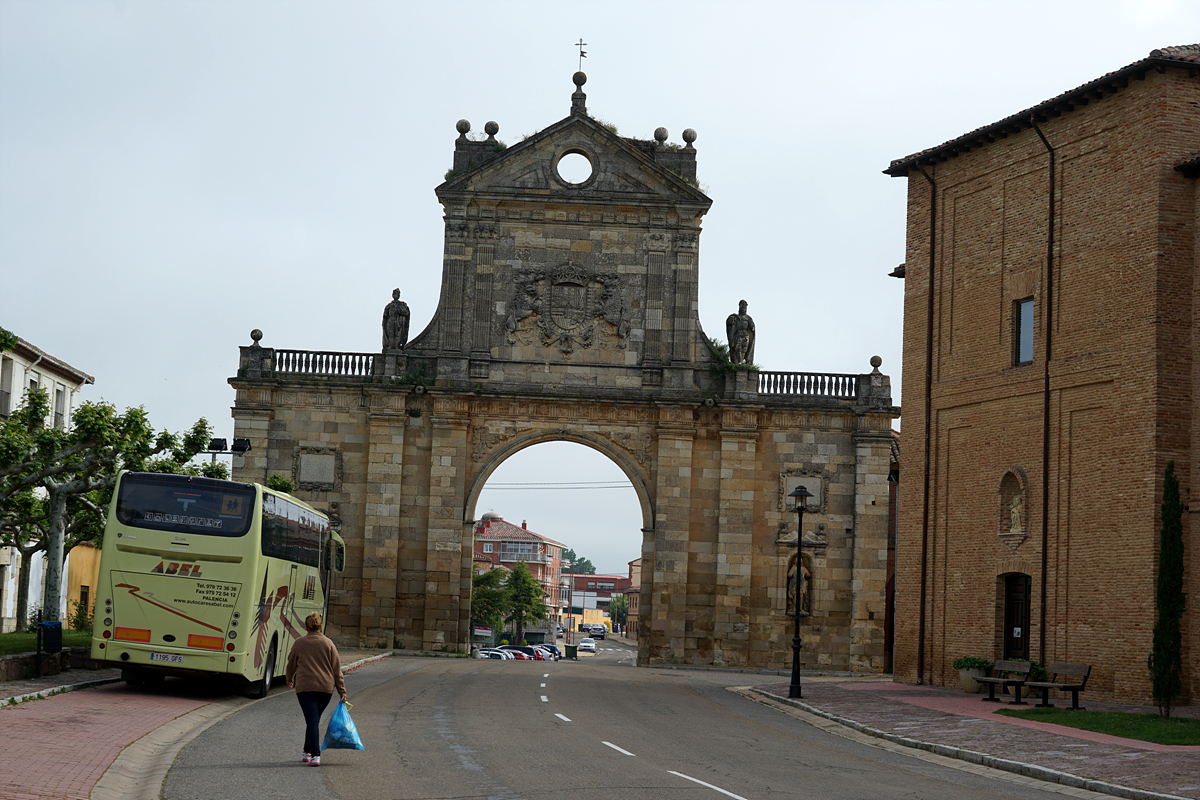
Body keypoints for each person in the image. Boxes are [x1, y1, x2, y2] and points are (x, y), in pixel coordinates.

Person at [286, 612, 347, 767]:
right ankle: (307, 752)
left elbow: (291, 663)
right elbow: (336, 670)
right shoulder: (329, 644)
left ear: (306, 627)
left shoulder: (299, 642)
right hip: (325, 689)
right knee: (313, 719)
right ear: (320, 626)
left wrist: (289, 678)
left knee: (312, 720)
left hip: (305, 688)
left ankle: (315, 754)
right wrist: (342, 691)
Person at [725, 299, 756, 364]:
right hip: (738, 334)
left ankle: (742, 361)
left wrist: (751, 325)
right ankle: (739, 361)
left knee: (744, 349)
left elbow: (752, 328)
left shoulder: (748, 318)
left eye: (744, 307)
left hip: (745, 334)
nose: (743, 309)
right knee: (737, 348)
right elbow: (730, 325)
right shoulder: (735, 317)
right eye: (742, 307)